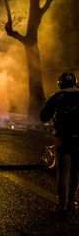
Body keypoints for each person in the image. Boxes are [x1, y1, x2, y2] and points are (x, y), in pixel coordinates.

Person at [40, 72, 79, 217]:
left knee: (63, 173)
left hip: (63, 139)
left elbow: (43, 117)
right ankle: (72, 203)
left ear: (60, 83)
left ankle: (62, 206)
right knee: (75, 172)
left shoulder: (57, 96)